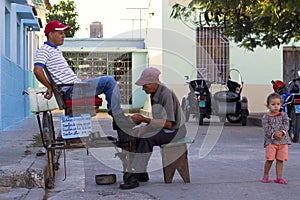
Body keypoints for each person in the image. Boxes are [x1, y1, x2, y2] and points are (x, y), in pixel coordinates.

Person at [33, 20, 134, 131]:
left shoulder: (54, 50)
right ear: (51, 34)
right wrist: (49, 87)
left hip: (74, 87)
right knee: (109, 81)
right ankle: (118, 118)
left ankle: (116, 117)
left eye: (63, 33)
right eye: (60, 33)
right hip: (72, 90)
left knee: (105, 80)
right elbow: (37, 70)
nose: (63, 36)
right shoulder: (44, 50)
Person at [119, 67, 187, 190]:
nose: (143, 89)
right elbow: (157, 122)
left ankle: (134, 176)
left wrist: (144, 120)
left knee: (147, 139)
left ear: (153, 83)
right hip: (165, 128)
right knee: (137, 135)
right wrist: (143, 129)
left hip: (176, 131)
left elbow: (168, 124)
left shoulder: (166, 94)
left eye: (145, 86)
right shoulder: (154, 94)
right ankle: (142, 173)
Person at [261, 92, 290, 184]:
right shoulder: (266, 117)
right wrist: (273, 134)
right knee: (269, 160)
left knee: (280, 160)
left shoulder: (284, 115)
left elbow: (286, 124)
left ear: (281, 105)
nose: (276, 106)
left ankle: (279, 177)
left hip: (283, 142)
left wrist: (282, 132)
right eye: (273, 104)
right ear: (268, 105)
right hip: (271, 142)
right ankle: (265, 175)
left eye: (278, 104)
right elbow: (266, 128)